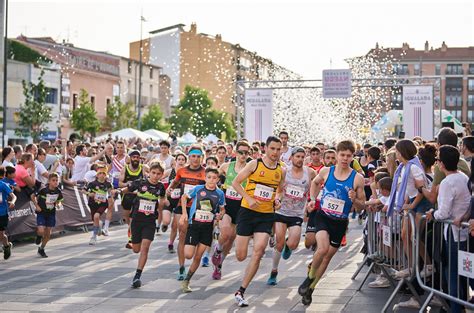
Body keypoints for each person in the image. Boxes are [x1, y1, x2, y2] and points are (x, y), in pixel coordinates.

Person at [299, 140, 365, 305]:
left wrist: (354, 199)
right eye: (342, 155)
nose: (344, 158)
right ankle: (308, 279)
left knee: (327, 257)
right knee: (322, 248)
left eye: (348, 156)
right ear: (337, 154)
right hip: (323, 216)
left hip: (340, 221)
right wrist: (313, 199)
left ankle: (311, 288)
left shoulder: (357, 178)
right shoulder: (327, 171)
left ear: (352, 157)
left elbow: (361, 205)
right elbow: (314, 183)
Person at [231, 136, 285, 307]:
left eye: (278, 149)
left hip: (266, 214)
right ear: (266, 149)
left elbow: (280, 190)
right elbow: (236, 182)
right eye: (273, 149)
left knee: (259, 250)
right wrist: (248, 197)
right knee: (241, 256)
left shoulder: (281, 170)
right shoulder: (254, 164)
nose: (275, 152)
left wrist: (278, 199)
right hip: (247, 211)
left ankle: (241, 290)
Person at [426, 145, 471, 313]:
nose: (437, 163)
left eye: (438, 160)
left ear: (442, 164)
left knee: (451, 273)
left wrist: (433, 214)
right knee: (462, 272)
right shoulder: (463, 177)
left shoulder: (447, 182)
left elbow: (443, 211)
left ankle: (456, 308)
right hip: (463, 231)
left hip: (453, 232)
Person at [267, 147, 316, 285]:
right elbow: (277, 188)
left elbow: (316, 185)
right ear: (291, 158)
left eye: (302, 157)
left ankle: (289, 247)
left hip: (297, 213)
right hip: (281, 211)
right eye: (297, 156)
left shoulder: (309, 172)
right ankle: (274, 271)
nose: (300, 159)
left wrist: (312, 199)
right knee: (279, 243)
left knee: (294, 244)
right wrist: (277, 198)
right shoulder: (284, 171)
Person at [179, 167, 226, 293]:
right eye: (209, 177)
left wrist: (220, 215)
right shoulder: (199, 189)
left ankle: (187, 280)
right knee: (188, 255)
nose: (211, 180)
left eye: (214, 178)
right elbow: (184, 197)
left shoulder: (220, 193)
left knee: (198, 256)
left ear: (218, 180)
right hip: (194, 225)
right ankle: (185, 271)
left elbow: (222, 209)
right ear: (205, 178)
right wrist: (184, 214)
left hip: (207, 227)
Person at [121, 161, 166, 288]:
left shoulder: (161, 187)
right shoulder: (140, 183)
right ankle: (131, 236)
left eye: (158, 174)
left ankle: (137, 276)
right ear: (149, 173)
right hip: (136, 220)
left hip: (150, 222)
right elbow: (126, 189)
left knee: (145, 248)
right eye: (153, 173)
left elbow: (163, 198)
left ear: (162, 175)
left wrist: (165, 203)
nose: (156, 176)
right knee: (136, 250)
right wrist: (116, 192)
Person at [212, 141, 251, 280]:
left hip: (242, 208)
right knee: (226, 233)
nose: (243, 155)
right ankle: (217, 248)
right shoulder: (226, 166)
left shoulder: (250, 168)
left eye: (246, 153)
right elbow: (212, 178)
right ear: (235, 152)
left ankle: (219, 265)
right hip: (227, 206)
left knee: (232, 238)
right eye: (241, 152)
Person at [167, 146, 206, 280]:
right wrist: (170, 189)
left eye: (198, 156)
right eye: (193, 156)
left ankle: (193, 253)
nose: (195, 159)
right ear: (189, 157)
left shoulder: (205, 172)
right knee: (182, 233)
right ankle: (182, 267)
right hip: (182, 206)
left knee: (196, 236)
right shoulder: (182, 171)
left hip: (198, 208)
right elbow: (175, 181)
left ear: (201, 157)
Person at [305, 148, 336, 250]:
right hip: (316, 210)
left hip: (331, 213)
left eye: (333, 158)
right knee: (309, 242)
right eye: (328, 158)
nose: (330, 160)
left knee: (322, 243)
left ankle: (315, 263)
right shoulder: (318, 172)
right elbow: (311, 186)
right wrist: (310, 201)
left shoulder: (341, 175)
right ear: (323, 159)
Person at [31, 173, 64, 258]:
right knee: (41, 230)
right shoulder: (43, 190)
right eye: (53, 180)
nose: (55, 182)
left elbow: (59, 200)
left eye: (57, 180)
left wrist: (58, 204)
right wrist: (37, 206)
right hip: (41, 212)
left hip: (51, 213)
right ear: (49, 181)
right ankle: (38, 236)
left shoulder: (58, 191)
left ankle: (41, 249)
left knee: (48, 234)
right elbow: (32, 196)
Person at [119, 150, 147, 247]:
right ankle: (131, 228)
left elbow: (148, 178)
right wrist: (128, 184)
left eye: (137, 157)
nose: (135, 159)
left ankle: (131, 239)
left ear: (139, 159)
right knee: (126, 218)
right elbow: (120, 183)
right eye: (133, 157)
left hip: (138, 197)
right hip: (127, 196)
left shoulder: (142, 168)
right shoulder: (125, 168)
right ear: (130, 158)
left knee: (133, 219)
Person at [85, 165, 114, 245]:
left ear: (106, 175)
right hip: (92, 204)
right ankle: (99, 226)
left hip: (102, 204)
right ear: (97, 175)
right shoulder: (92, 183)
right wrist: (89, 194)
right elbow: (84, 190)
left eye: (104, 173)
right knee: (95, 220)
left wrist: (111, 197)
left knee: (96, 216)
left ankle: (93, 237)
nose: (102, 175)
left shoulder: (108, 184)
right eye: (100, 173)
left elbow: (110, 192)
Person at [165, 153, 188, 253]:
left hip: (180, 201)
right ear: (176, 160)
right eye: (179, 159)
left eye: (183, 159)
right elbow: (158, 177)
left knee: (176, 224)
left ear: (185, 162)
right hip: (170, 200)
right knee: (167, 221)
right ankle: (164, 227)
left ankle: (171, 244)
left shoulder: (186, 173)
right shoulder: (170, 171)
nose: (181, 161)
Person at [0, 169, 16, 260]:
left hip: (2, 213)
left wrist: (13, 202)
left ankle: (6, 246)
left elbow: (14, 196)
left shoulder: (3, 185)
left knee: (1, 234)